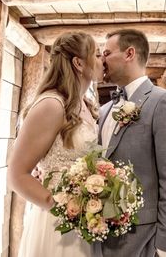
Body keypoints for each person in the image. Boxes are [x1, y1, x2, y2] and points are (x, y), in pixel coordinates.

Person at [94, 29, 166, 257]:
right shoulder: (103, 111)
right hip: (104, 241)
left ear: (130, 53)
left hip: (148, 244)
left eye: (107, 53)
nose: (101, 60)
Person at [7, 31, 103, 257]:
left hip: (88, 222)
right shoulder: (52, 104)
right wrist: (64, 208)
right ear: (79, 63)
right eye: (97, 55)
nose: (103, 60)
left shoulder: (85, 105)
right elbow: (16, 174)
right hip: (59, 226)